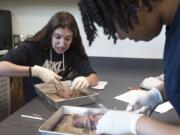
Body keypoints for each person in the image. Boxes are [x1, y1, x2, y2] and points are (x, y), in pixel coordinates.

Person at [78, 0, 180, 135]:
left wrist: (136, 124)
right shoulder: (174, 25)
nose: (120, 36)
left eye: (116, 23)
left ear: (136, 4)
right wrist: (158, 94)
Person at [0, 11, 99, 105]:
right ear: (50, 34)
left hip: (61, 101)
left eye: (67, 39)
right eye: (57, 37)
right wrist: (34, 71)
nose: (62, 44)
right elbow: (1, 67)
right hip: (34, 103)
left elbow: (94, 77)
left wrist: (86, 80)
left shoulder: (73, 51)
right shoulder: (32, 46)